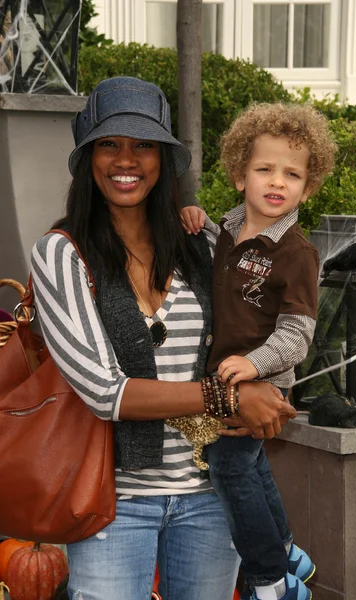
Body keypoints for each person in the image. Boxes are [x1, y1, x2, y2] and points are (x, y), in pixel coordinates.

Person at [30, 77, 297, 600]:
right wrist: (230, 396)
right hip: (113, 503)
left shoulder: (203, 243)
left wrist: (270, 389)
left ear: (163, 159)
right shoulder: (63, 254)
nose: (125, 160)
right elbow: (108, 393)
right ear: (87, 157)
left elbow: (263, 324)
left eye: (143, 145)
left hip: (212, 497)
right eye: (109, 144)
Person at [180, 102, 338, 600]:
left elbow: (296, 336)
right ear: (238, 176)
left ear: (307, 188)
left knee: (228, 465)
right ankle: (288, 548)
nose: (277, 181)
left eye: (292, 174)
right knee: (249, 463)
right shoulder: (227, 232)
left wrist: (254, 365)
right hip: (230, 376)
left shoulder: (296, 253)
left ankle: (270, 579)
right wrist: (196, 217)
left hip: (259, 382)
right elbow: (210, 248)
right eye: (264, 169)